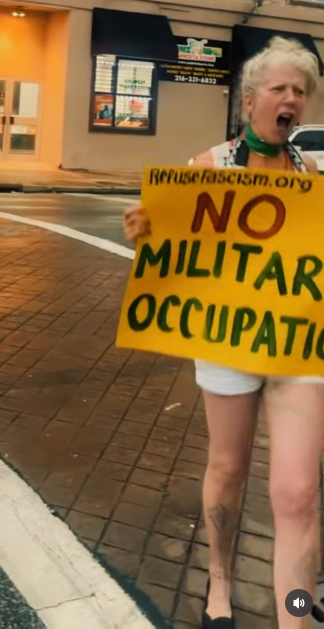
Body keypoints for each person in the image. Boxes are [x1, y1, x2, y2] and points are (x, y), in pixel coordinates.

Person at [123, 36, 324, 629]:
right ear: (251, 99)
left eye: (302, 91)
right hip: (228, 343)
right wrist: (145, 232)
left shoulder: (314, 175)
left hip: (296, 349)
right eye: (281, 88)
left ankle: (295, 614)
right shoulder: (207, 168)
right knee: (228, 469)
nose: (292, 99)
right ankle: (220, 580)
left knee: (298, 493)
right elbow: (170, 246)